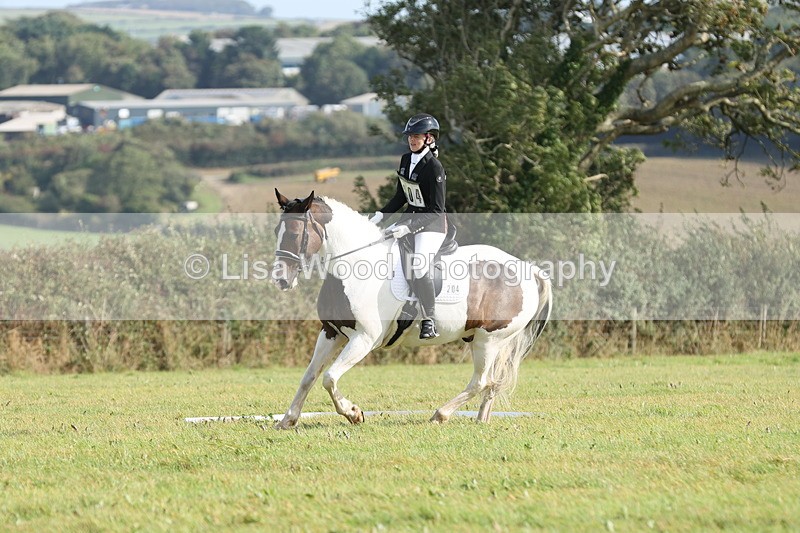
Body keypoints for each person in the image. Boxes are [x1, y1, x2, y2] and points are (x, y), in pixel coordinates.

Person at [369, 113, 447, 339]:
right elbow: (400, 198)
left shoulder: (434, 168)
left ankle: (429, 319)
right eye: (410, 136)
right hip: (409, 219)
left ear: (429, 138)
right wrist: (380, 216)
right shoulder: (405, 160)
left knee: (420, 265)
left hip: (432, 225)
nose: (412, 140)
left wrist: (410, 228)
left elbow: (436, 209)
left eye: (416, 136)